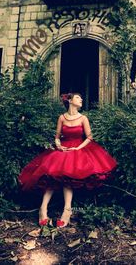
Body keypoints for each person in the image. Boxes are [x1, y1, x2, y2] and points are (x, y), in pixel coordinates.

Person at [18, 93, 117, 228]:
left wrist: (77, 148)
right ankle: (43, 209)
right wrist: (58, 144)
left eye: (81, 98)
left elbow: (89, 137)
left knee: (68, 177)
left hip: (78, 149)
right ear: (70, 101)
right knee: (52, 177)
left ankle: (67, 210)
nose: (81, 100)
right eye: (78, 98)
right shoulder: (62, 117)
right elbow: (57, 136)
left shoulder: (83, 118)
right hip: (63, 149)